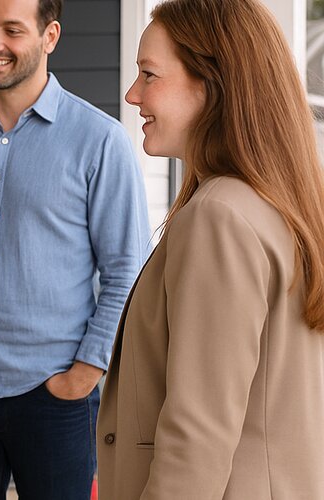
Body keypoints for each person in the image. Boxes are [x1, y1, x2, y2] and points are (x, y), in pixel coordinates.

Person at [96, 0, 324, 498]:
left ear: (212, 84)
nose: (133, 94)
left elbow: (196, 439)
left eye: (149, 74)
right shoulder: (279, 205)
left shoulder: (219, 217)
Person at [0, 0, 151, 497]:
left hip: (54, 397)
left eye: (12, 30)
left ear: (50, 36)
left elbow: (129, 270)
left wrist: (85, 373)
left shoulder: (99, 141)